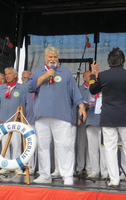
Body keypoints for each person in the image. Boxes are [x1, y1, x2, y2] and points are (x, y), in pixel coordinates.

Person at [26, 46, 87, 186]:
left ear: (57, 58)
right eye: (50, 57)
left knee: (64, 146)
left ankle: (67, 175)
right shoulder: (39, 72)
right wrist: (44, 77)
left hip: (61, 115)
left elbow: (75, 91)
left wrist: (81, 106)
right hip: (42, 115)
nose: (52, 59)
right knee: (43, 146)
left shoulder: (65, 72)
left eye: (54, 57)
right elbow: (29, 87)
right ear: (45, 58)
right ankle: (45, 175)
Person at [89, 47, 126, 188]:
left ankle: (114, 180)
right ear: (123, 61)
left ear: (109, 61)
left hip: (108, 116)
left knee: (110, 148)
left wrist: (92, 74)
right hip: (125, 116)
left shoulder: (103, 75)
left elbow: (92, 89)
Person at [0, 67, 27, 175]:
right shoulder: (1, 88)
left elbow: (25, 104)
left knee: (16, 144)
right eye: (6, 74)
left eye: (9, 74)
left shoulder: (21, 88)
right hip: (4, 121)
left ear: (15, 75)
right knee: (4, 145)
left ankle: (16, 166)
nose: (7, 76)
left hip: (16, 121)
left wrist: (23, 119)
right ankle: (6, 166)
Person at [82, 70, 106, 179]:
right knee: (92, 148)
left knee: (104, 148)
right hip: (91, 120)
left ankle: (105, 171)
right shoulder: (89, 90)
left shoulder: (106, 88)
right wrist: (86, 104)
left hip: (103, 121)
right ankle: (94, 170)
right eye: (94, 77)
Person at [22, 70, 36, 174]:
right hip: (28, 121)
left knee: (42, 147)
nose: (26, 80)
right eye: (24, 78)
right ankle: (30, 168)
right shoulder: (24, 90)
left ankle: (42, 169)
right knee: (29, 146)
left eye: (28, 78)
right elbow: (22, 105)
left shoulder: (39, 87)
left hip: (40, 120)